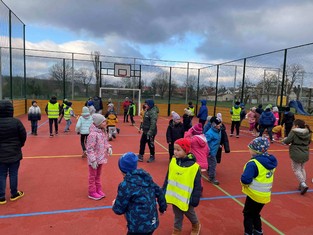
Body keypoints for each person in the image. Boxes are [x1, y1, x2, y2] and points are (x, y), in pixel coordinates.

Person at [112, 152, 167, 235]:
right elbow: (159, 191)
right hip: (152, 222)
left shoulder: (125, 185)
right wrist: (163, 207)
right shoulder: (146, 178)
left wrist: (114, 204)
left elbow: (119, 209)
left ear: (121, 169)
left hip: (137, 226)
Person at [162, 138, 202, 235]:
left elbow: (197, 185)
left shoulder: (194, 167)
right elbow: (168, 177)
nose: (175, 152)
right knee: (177, 215)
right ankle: (177, 230)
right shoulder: (173, 162)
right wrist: (164, 190)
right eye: (174, 149)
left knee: (190, 213)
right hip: (175, 196)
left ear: (186, 151)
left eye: (178, 150)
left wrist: (195, 198)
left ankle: (196, 224)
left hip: (186, 198)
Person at [241, 137, 277, 235]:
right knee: (256, 213)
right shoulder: (270, 162)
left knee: (248, 214)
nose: (249, 150)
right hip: (265, 195)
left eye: (250, 148)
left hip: (254, 194)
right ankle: (258, 230)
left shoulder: (253, 164)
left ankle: (248, 232)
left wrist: (244, 182)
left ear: (255, 151)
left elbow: (245, 179)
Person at [0, 100, 27, 205]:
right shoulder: (16, 122)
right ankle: (14, 193)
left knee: (1, 174)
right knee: (13, 173)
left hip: (1, 154)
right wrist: (19, 145)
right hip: (14, 152)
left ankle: (1, 196)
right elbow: (23, 135)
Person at [86, 114, 112, 200]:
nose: (105, 122)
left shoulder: (102, 132)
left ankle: (98, 189)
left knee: (98, 175)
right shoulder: (93, 134)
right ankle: (92, 192)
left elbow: (105, 142)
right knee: (92, 176)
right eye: (103, 121)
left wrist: (108, 147)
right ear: (98, 123)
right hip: (94, 160)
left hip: (100, 159)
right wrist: (93, 160)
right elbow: (89, 148)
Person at [282, 119, 312, 195]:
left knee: (296, 169)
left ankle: (303, 183)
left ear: (297, 126)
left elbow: (287, 140)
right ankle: (302, 183)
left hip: (296, 151)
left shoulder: (294, 132)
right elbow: (308, 142)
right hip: (305, 151)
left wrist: (284, 140)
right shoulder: (307, 132)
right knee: (302, 168)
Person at [205, 116, 222, 185]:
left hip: (215, 150)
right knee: (213, 164)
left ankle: (209, 171)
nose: (220, 125)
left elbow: (217, 139)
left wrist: (218, 144)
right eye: (218, 124)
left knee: (211, 164)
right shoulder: (209, 133)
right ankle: (211, 177)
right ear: (214, 125)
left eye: (220, 123)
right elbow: (206, 143)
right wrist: (208, 152)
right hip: (211, 152)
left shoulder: (218, 131)